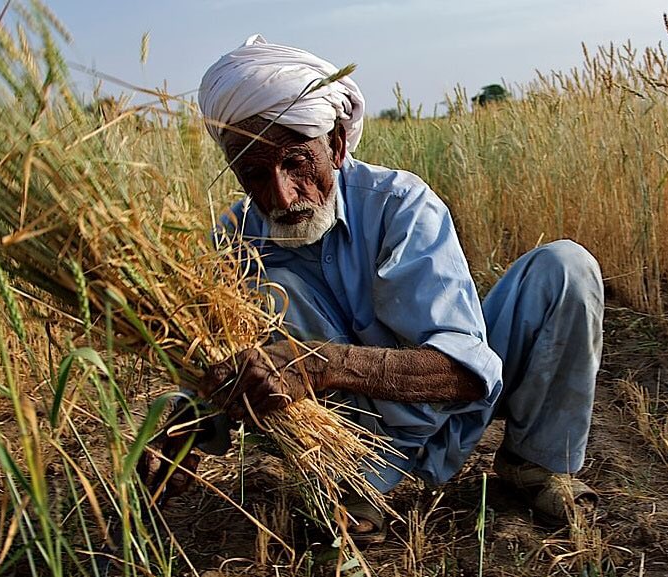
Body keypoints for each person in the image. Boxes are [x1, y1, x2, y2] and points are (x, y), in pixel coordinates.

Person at [142, 34, 603, 537]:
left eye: (295, 162)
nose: (282, 196)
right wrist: (180, 432)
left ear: (336, 145)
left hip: (453, 404)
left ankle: (533, 464)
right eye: (253, 172)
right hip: (351, 443)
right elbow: (217, 365)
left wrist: (317, 364)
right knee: (275, 285)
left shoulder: (399, 204)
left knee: (565, 268)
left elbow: (469, 375)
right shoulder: (233, 242)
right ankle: (348, 484)